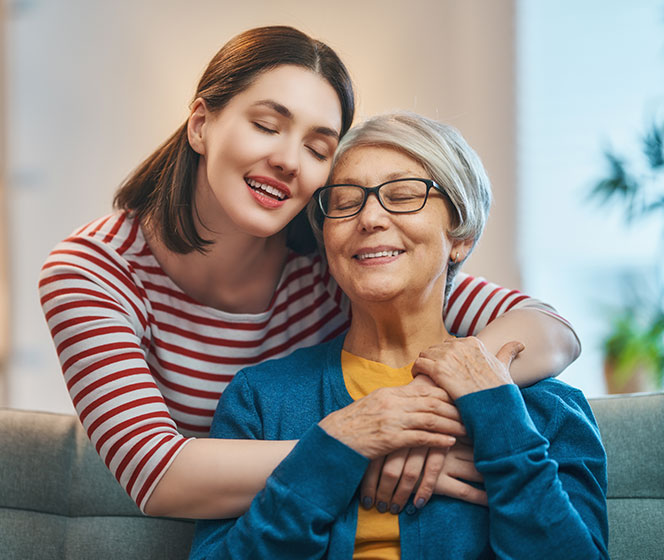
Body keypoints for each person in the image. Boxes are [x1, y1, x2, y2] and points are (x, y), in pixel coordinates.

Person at [38, 26, 581, 519]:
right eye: (265, 126)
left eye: (318, 147)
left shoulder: (334, 262)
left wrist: (421, 413)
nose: (288, 160)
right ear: (200, 125)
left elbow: (550, 330)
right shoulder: (92, 272)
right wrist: (360, 445)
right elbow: (160, 477)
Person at [188, 112, 607, 559]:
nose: (369, 218)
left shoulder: (545, 407)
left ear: (460, 237)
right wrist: (336, 445)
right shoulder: (260, 400)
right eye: (344, 202)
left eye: (403, 196)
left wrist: (497, 417)